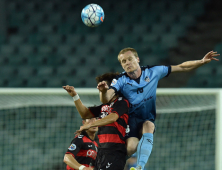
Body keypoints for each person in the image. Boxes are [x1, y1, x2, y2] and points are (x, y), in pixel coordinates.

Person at [97, 48, 220, 170]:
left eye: (130, 59)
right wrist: (103, 92)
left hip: (147, 118)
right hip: (130, 120)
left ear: (137, 59)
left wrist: (201, 61)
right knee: (131, 147)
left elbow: (182, 67)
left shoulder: (153, 71)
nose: (127, 63)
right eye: (123, 61)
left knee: (149, 125)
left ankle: (139, 167)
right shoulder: (120, 80)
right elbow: (106, 98)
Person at [63, 72, 130, 170]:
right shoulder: (104, 106)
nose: (102, 93)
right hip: (102, 151)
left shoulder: (122, 102)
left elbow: (112, 117)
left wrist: (90, 125)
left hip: (115, 150)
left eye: (105, 89)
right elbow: (85, 114)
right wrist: (75, 96)